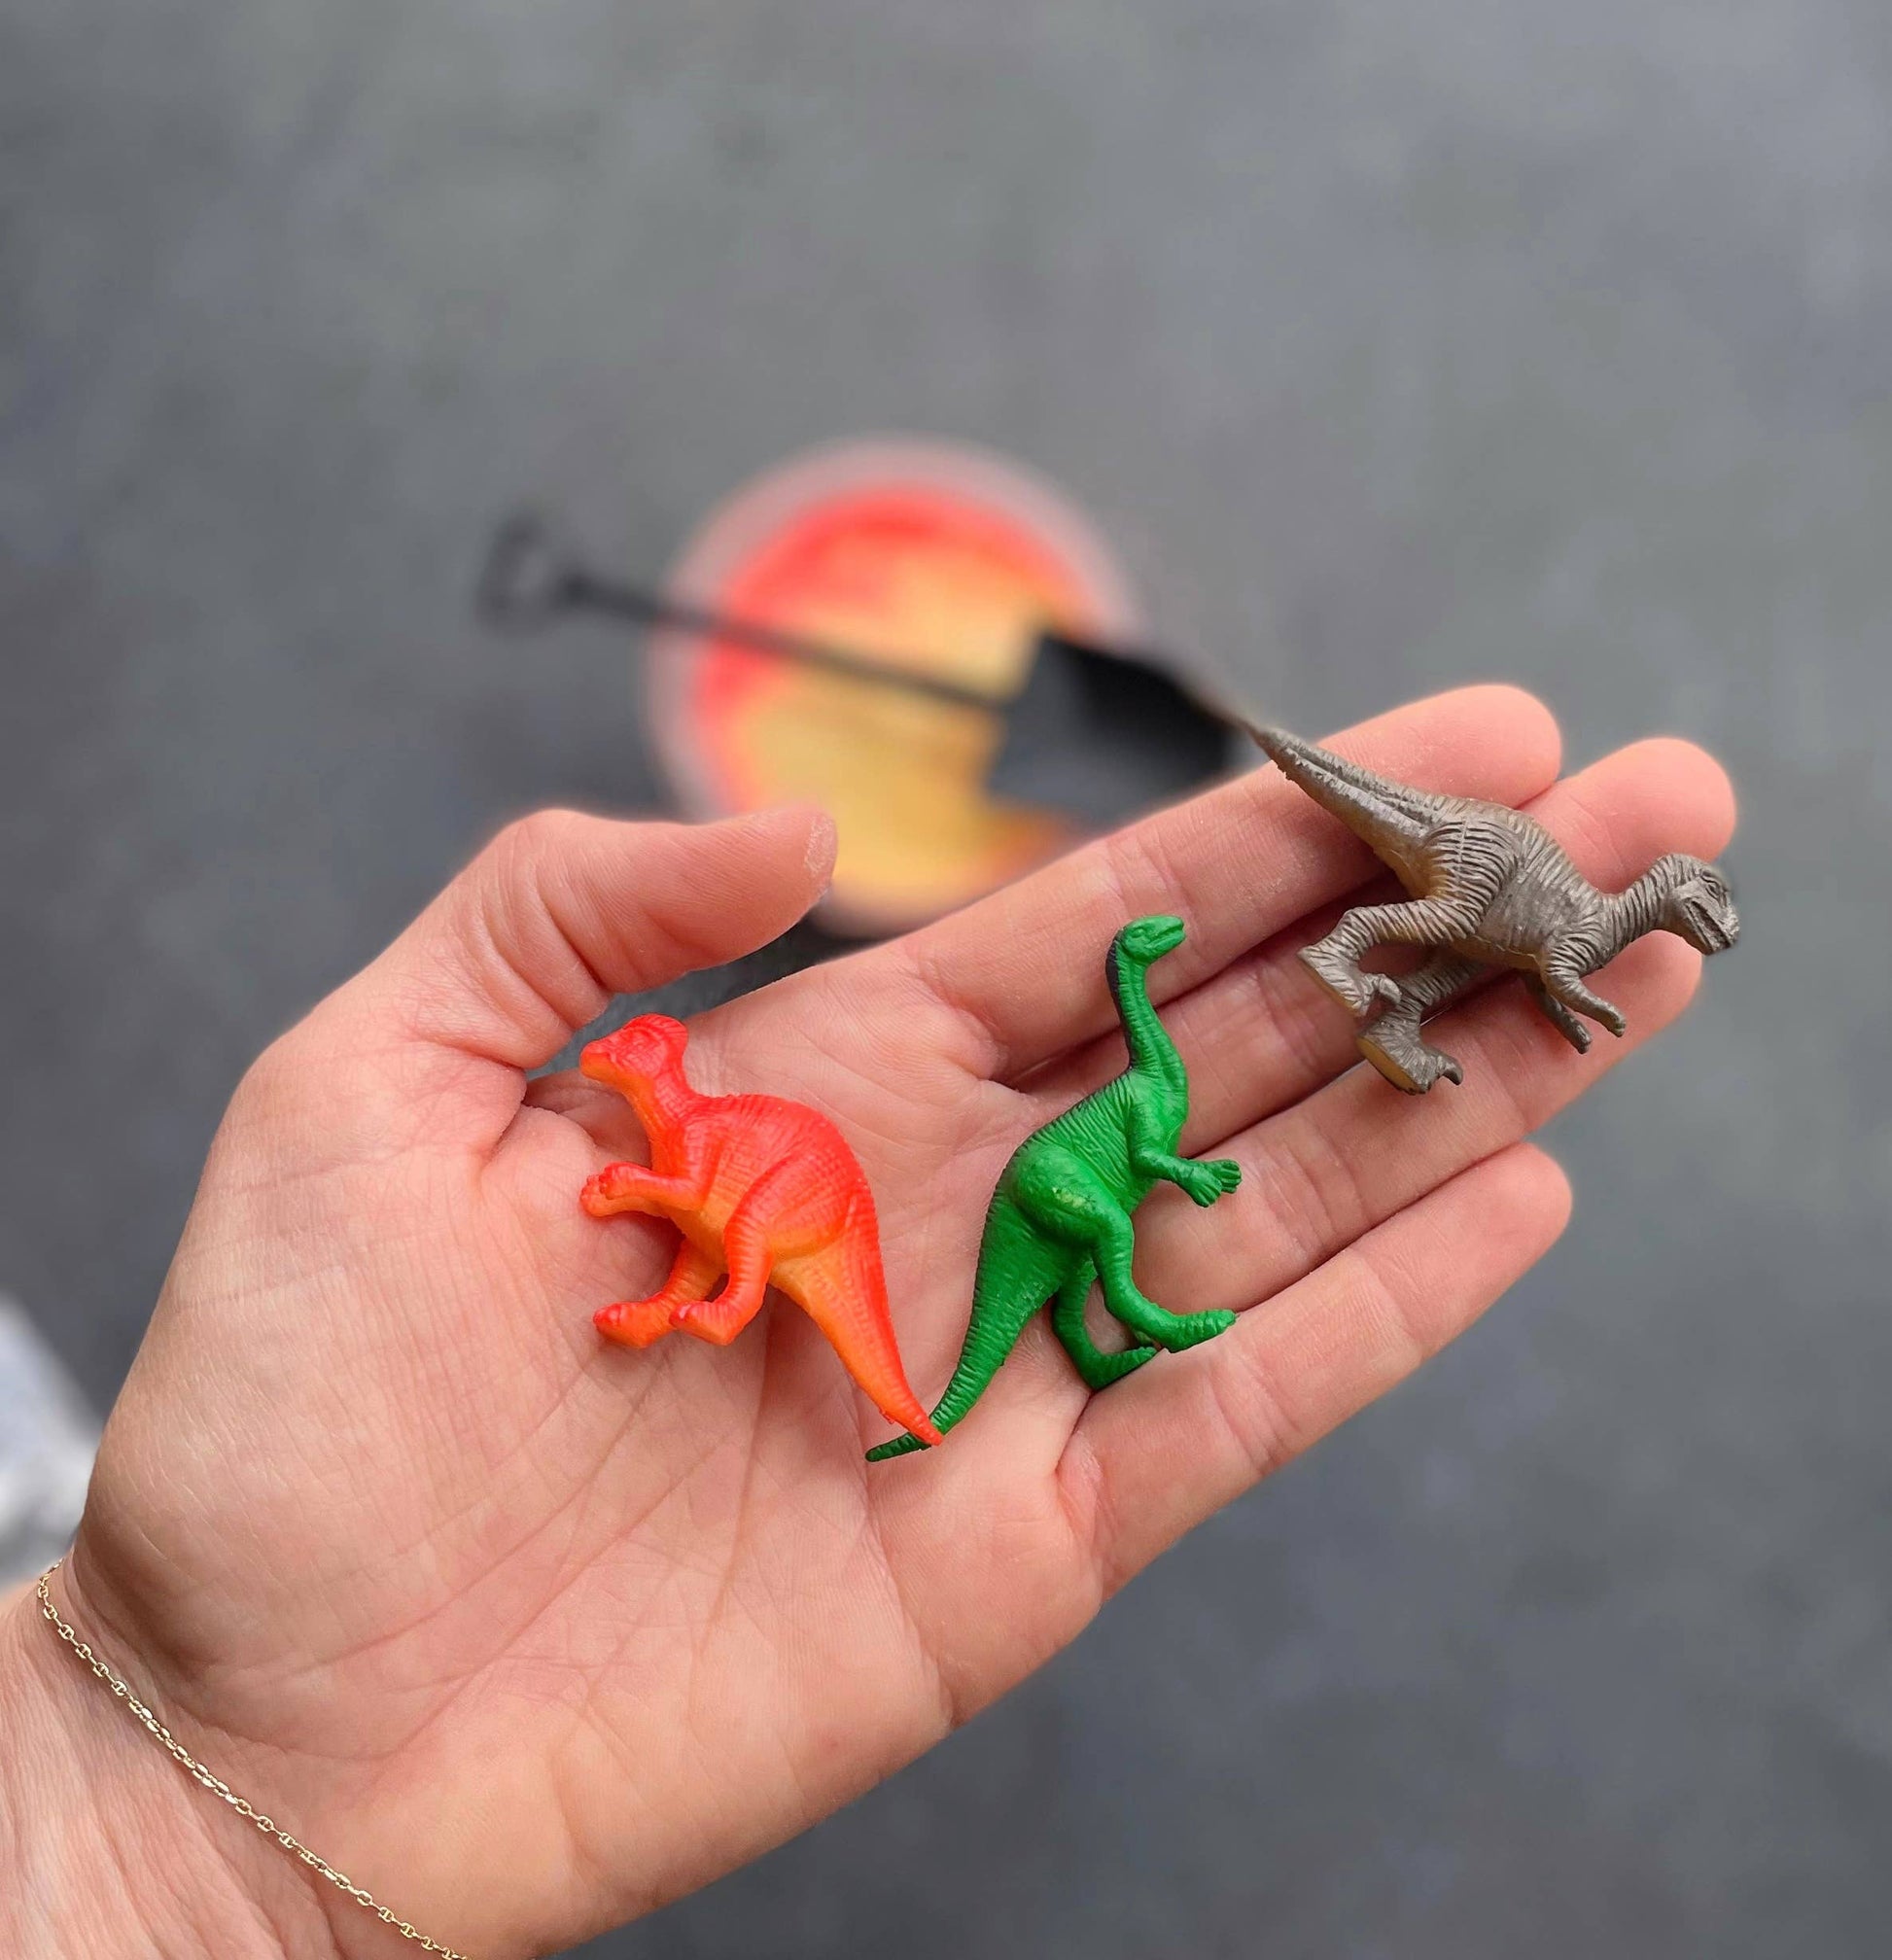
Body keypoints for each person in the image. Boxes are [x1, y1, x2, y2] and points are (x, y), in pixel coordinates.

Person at [1, 688, 1734, 1959]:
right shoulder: (1046, 1114)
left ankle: (1026, 1353)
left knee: (1013, 1309)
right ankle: (1059, 1330)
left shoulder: (1132, 1095)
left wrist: (155, 1820)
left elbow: (1138, 1104)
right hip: (1026, 1193)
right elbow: (1083, 1141)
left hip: (986, 1194)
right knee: (1043, 1276)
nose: (626, 1071)